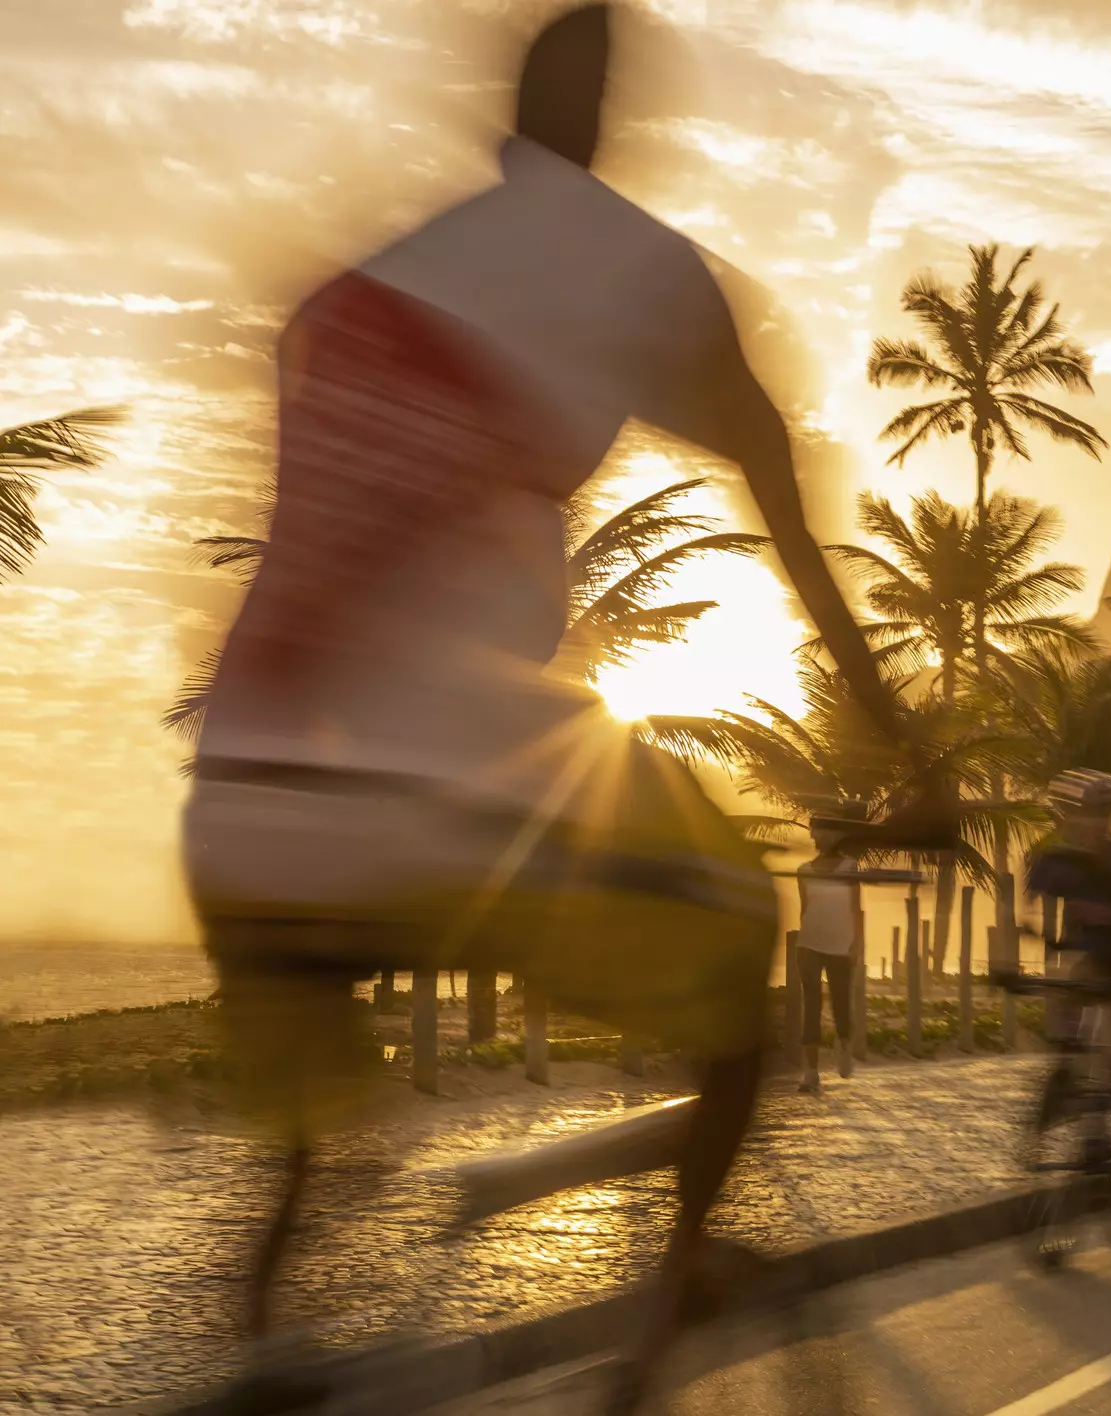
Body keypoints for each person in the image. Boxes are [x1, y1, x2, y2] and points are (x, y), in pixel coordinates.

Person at [178, 9, 947, 1406]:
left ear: (504, 118)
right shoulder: (639, 269)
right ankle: (652, 1338)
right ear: (609, 125)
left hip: (239, 806)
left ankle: (262, 1362)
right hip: (428, 787)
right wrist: (904, 749)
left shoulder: (361, 279)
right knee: (735, 958)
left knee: (308, 1163)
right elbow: (783, 513)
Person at [1023, 772, 1111, 1134]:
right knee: (1061, 1014)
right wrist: (1007, 964)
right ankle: (1067, 1083)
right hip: (1096, 962)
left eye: (1097, 814)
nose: (1088, 823)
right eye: (1078, 814)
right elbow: (1023, 912)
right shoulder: (1053, 862)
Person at [794, 814, 860, 1093]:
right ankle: (811, 1071)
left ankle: (845, 1047)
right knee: (811, 1005)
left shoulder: (850, 867)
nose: (816, 837)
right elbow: (803, 908)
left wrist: (857, 944)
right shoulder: (804, 870)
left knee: (840, 1001)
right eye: (814, 832)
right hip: (808, 943)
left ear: (836, 835)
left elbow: (857, 909)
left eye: (821, 832)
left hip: (840, 945)